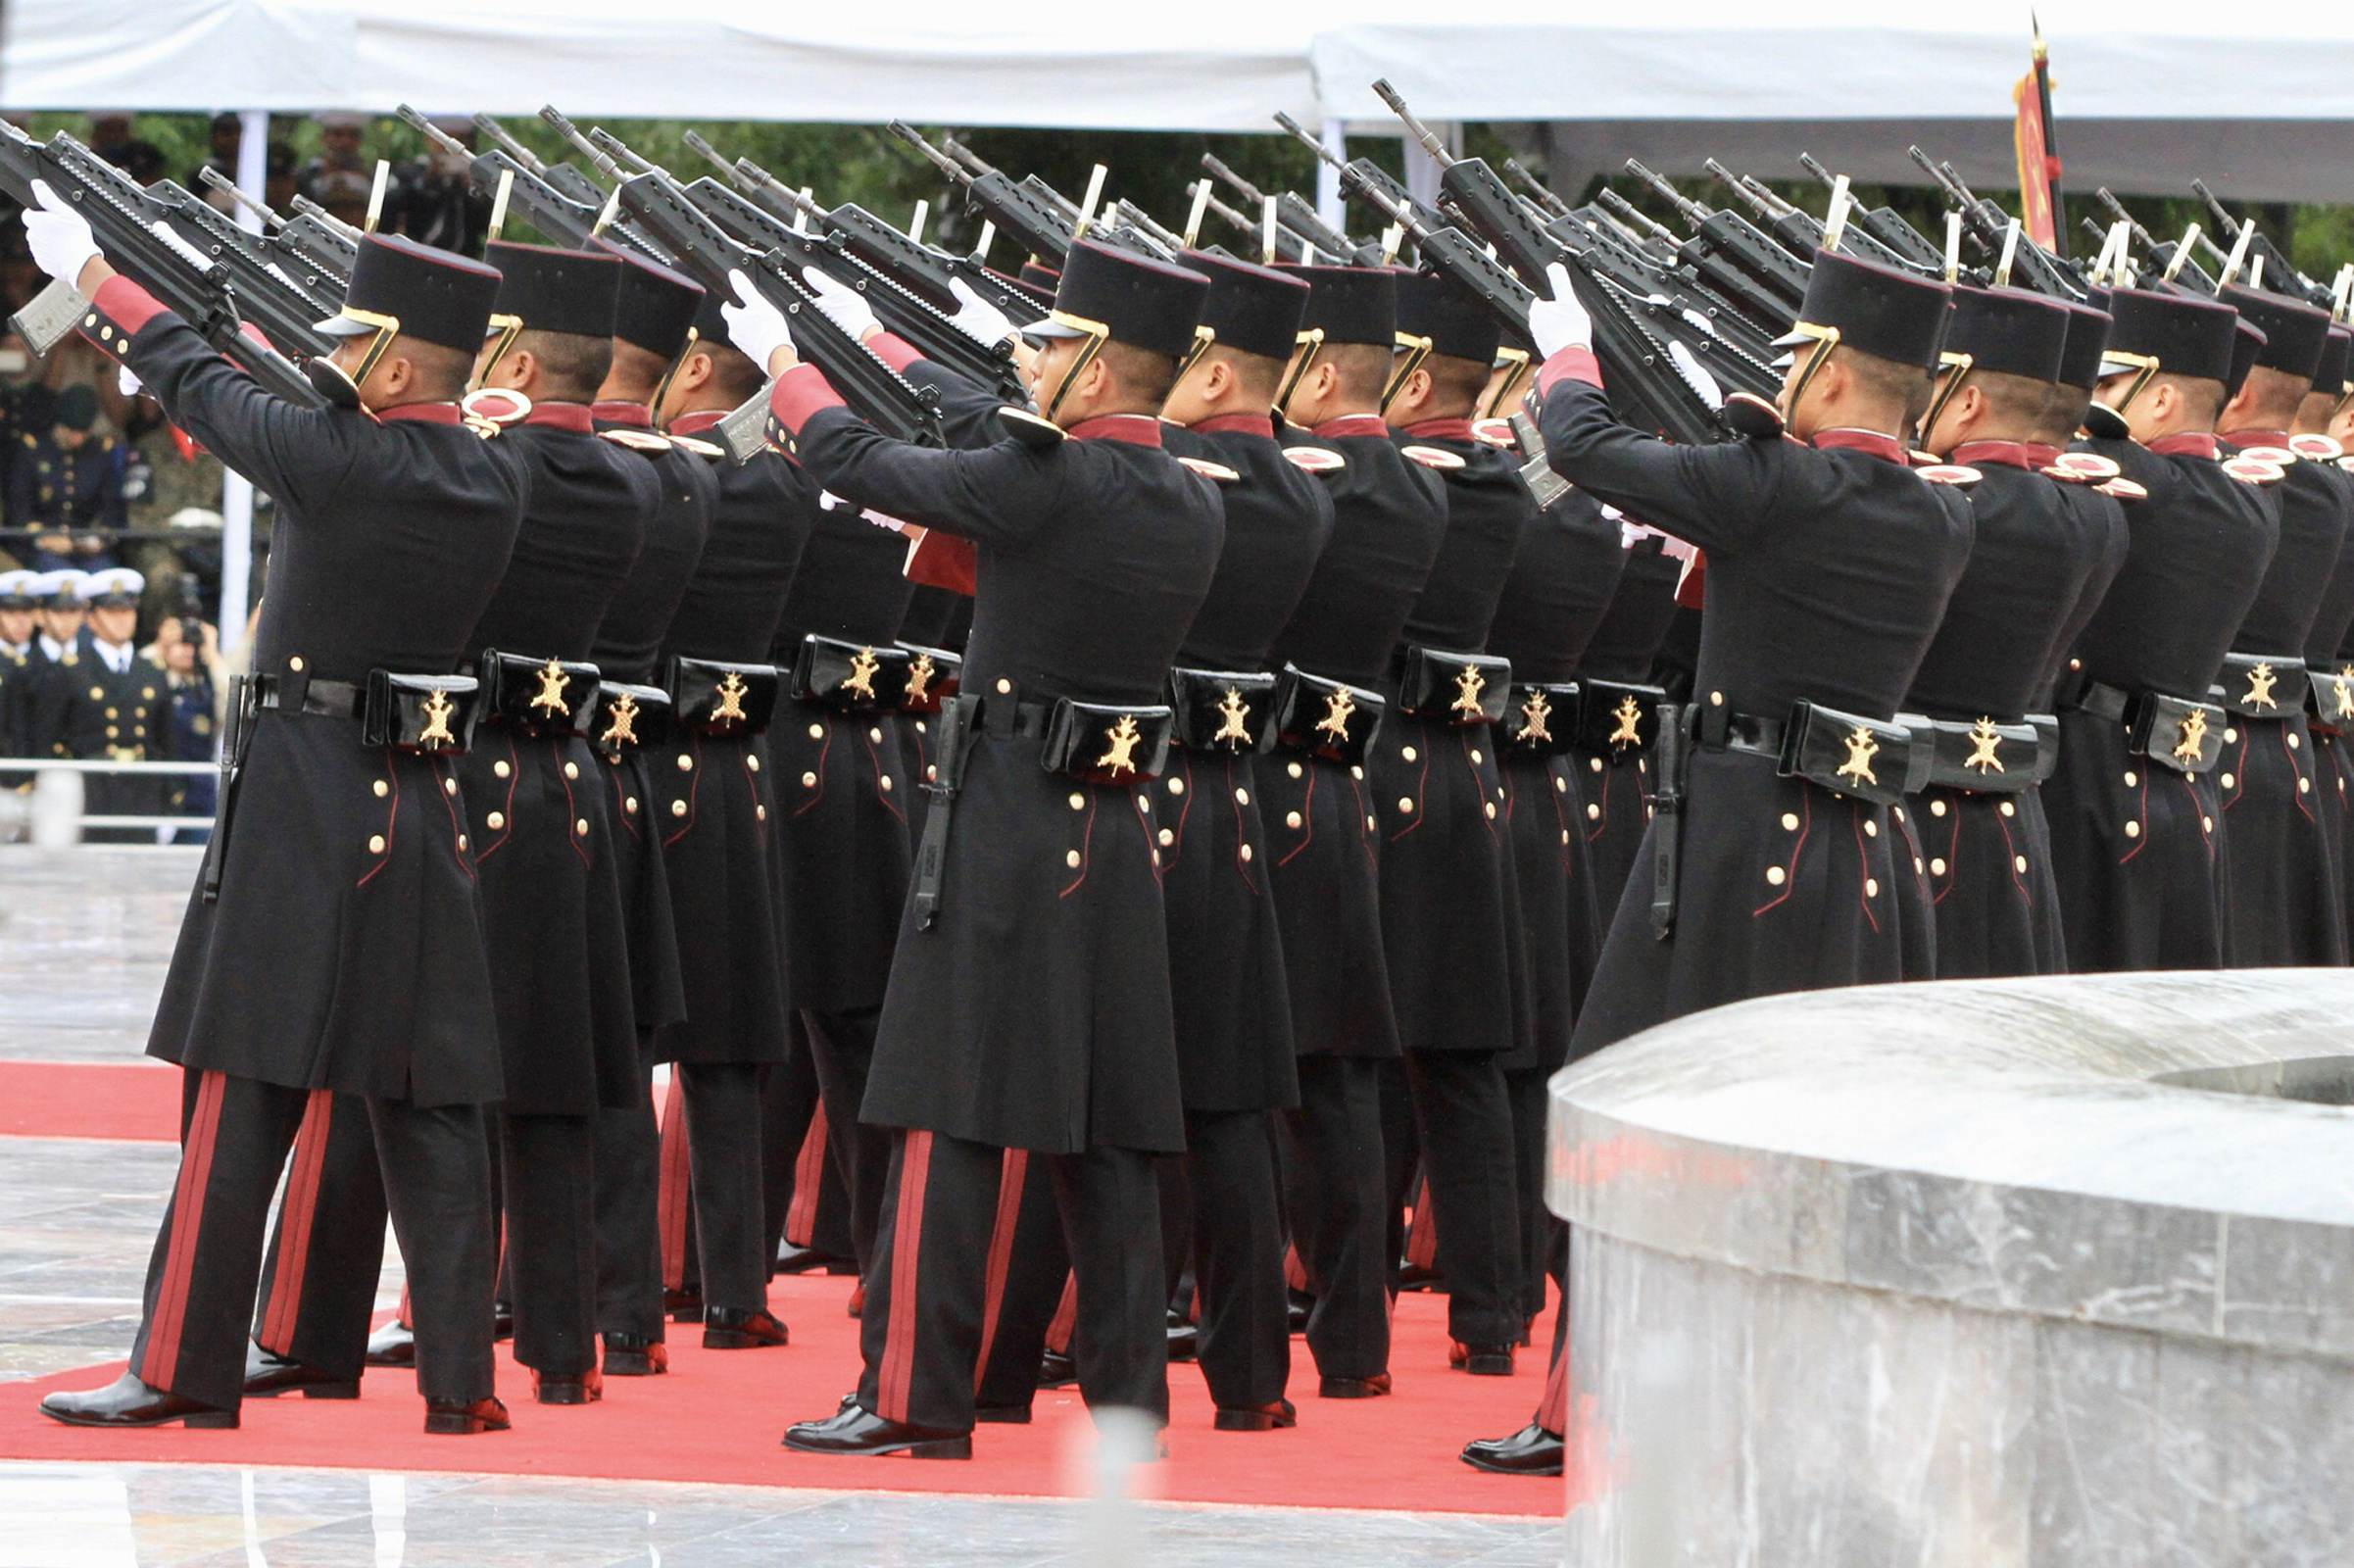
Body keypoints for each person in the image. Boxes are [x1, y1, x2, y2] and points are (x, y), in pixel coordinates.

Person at [24, 190, 523, 1433]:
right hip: (415, 799)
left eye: (351, 343)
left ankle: (184, 1365)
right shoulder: (484, 472)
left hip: (305, 793)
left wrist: (97, 275)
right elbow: (272, 383)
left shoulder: (341, 463)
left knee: (237, 1085)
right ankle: (461, 1382)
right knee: (429, 1103)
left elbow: (204, 384)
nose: (330, 359)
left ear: (396, 359)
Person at [741, 239, 1224, 1458]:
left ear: (1100, 361)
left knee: (942, 1109)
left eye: (1052, 345)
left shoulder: (1046, 485)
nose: (1029, 358)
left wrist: (793, 373)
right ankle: (1127, 1402)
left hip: (1006, 819)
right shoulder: (1186, 491)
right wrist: (881, 339)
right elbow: (981, 420)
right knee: (1112, 1127)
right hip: (1109, 830)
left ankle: (912, 1391)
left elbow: (861, 459)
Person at [968, 250, 1334, 1429]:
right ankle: (1250, 1381)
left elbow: (1048, 471)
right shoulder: (1293, 487)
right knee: (1221, 1107)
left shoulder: (1157, 476)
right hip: (1219, 809)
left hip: (1126, 800)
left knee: (1067, 1103)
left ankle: (1011, 1355)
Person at [1255, 262, 1443, 1399]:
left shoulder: (1304, 484)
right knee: (1341, 1090)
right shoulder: (1416, 488)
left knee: (1237, 1085)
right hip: (1341, 795)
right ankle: (1353, 1344)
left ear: (1319, 368)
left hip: (1261, 790)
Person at [1366, 270, 1535, 1373]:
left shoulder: (1397, 482)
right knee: (1455, 1062)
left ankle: (1346, 1297)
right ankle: (1487, 1309)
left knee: (1373, 1059)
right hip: (1463, 776)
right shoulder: (1501, 483)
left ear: (1412, 373)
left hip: (1384, 768)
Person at [645, 286, 811, 1352]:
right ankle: (734, 1288)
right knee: (727, 1051)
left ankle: (583, 1292)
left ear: (697, 366)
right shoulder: (782, 488)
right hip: (733, 774)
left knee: (593, 1049)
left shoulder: (664, 474)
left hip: (635, 764)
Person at [2044, 287, 2278, 971]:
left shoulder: (2125, 476)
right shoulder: (2254, 505)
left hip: (2087, 780)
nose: (2096, 399)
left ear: (2163, 398)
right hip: (2186, 782)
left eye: (2111, 384)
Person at [1902, 284, 2121, 976]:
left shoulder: (1936, 504)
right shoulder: (2097, 517)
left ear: (1966, 398)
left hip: (1909, 813)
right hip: (2012, 815)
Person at [583, 250, 714, 1378]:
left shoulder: (573, 470)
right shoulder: (688, 475)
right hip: (620, 786)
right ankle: (625, 1306)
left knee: (509, 1068)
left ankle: (516, 1294)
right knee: (615, 1067)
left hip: (531, 783)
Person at [2209, 283, 2346, 966]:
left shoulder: (2219, 487)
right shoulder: (2329, 492)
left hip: (2210, 759)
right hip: (2296, 750)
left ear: (2232, 395)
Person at [46, 565, 166, 840]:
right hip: (91, 790)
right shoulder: (72, 670)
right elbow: (52, 734)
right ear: (92, 618)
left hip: (140, 791)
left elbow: (164, 740)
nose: (122, 619)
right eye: (112, 612)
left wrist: (169, 797)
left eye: (127, 611)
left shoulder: (151, 671)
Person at [10, 383, 128, 566]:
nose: (77, 438)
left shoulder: (101, 452)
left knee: (107, 580)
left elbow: (111, 507)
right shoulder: (34, 450)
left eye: (83, 432)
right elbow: (19, 507)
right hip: (42, 546)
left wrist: (98, 539)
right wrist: (43, 537)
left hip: (88, 546)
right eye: (72, 431)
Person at [296, 113, 377, 229]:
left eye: (351, 135)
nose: (345, 141)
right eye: (338, 135)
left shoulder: (371, 175)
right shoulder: (308, 175)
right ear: (324, 138)